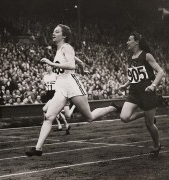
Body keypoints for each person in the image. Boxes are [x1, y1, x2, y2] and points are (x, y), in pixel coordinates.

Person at [25, 24, 121, 156]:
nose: (53, 33)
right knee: (48, 117)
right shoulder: (59, 50)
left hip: (72, 85)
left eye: (57, 32)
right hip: (61, 88)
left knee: (89, 117)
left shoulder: (67, 47)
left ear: (63, 36)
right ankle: (38, 148)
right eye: (53, 31)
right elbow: (74, 60)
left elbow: (71, 65)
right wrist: (81, 64)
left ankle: (112, 108)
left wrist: (51, 63)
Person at [119, 32, 165, 157]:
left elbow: (160, 72)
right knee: (124, 117)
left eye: (129, 40)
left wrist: (153, 85)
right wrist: (125, 85)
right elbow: (135, 76)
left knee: (150, 125)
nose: (127, 42)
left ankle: (157, 144)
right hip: (134, 92)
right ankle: (143, 114)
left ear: (137, 41)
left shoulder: (146, 56)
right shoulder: (131, 57)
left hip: (147, 93)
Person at [42, 63, 71, 135]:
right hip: (48, 93)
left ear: (51, 67)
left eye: (48, 66)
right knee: (53, 111)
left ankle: (63, 124)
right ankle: (63, 125)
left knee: (53, 110)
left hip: (54, 93)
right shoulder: (45, 76)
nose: (46, 68)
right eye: (46, 66)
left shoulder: (55, 75)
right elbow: (44, 86)